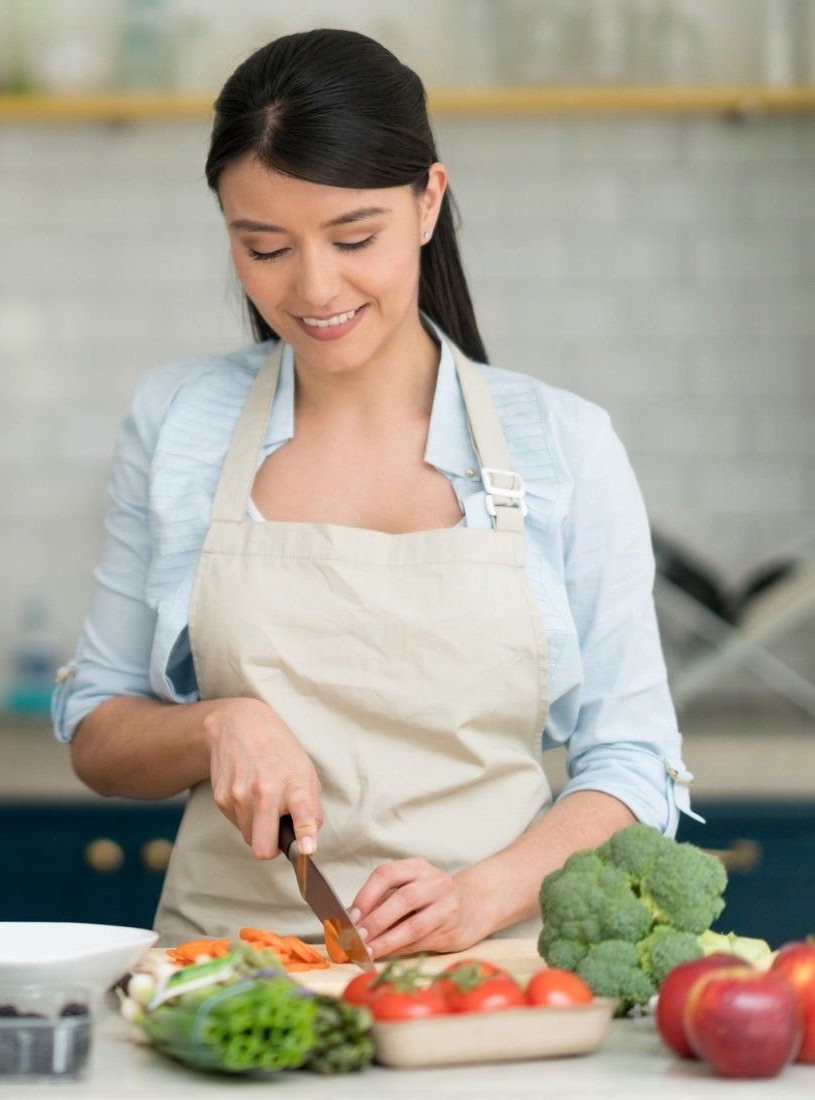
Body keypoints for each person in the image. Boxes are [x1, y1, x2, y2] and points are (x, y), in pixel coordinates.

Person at [52, 28, 696, 959]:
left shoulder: (563, 445)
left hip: (486, 980)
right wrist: (215, 726)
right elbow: (99, 732)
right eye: (264, 246)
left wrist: (483, 897)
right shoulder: (179, 422)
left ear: (428, 201)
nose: (315, 289)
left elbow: (634, 763)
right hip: (232, 982)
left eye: (355, 238)